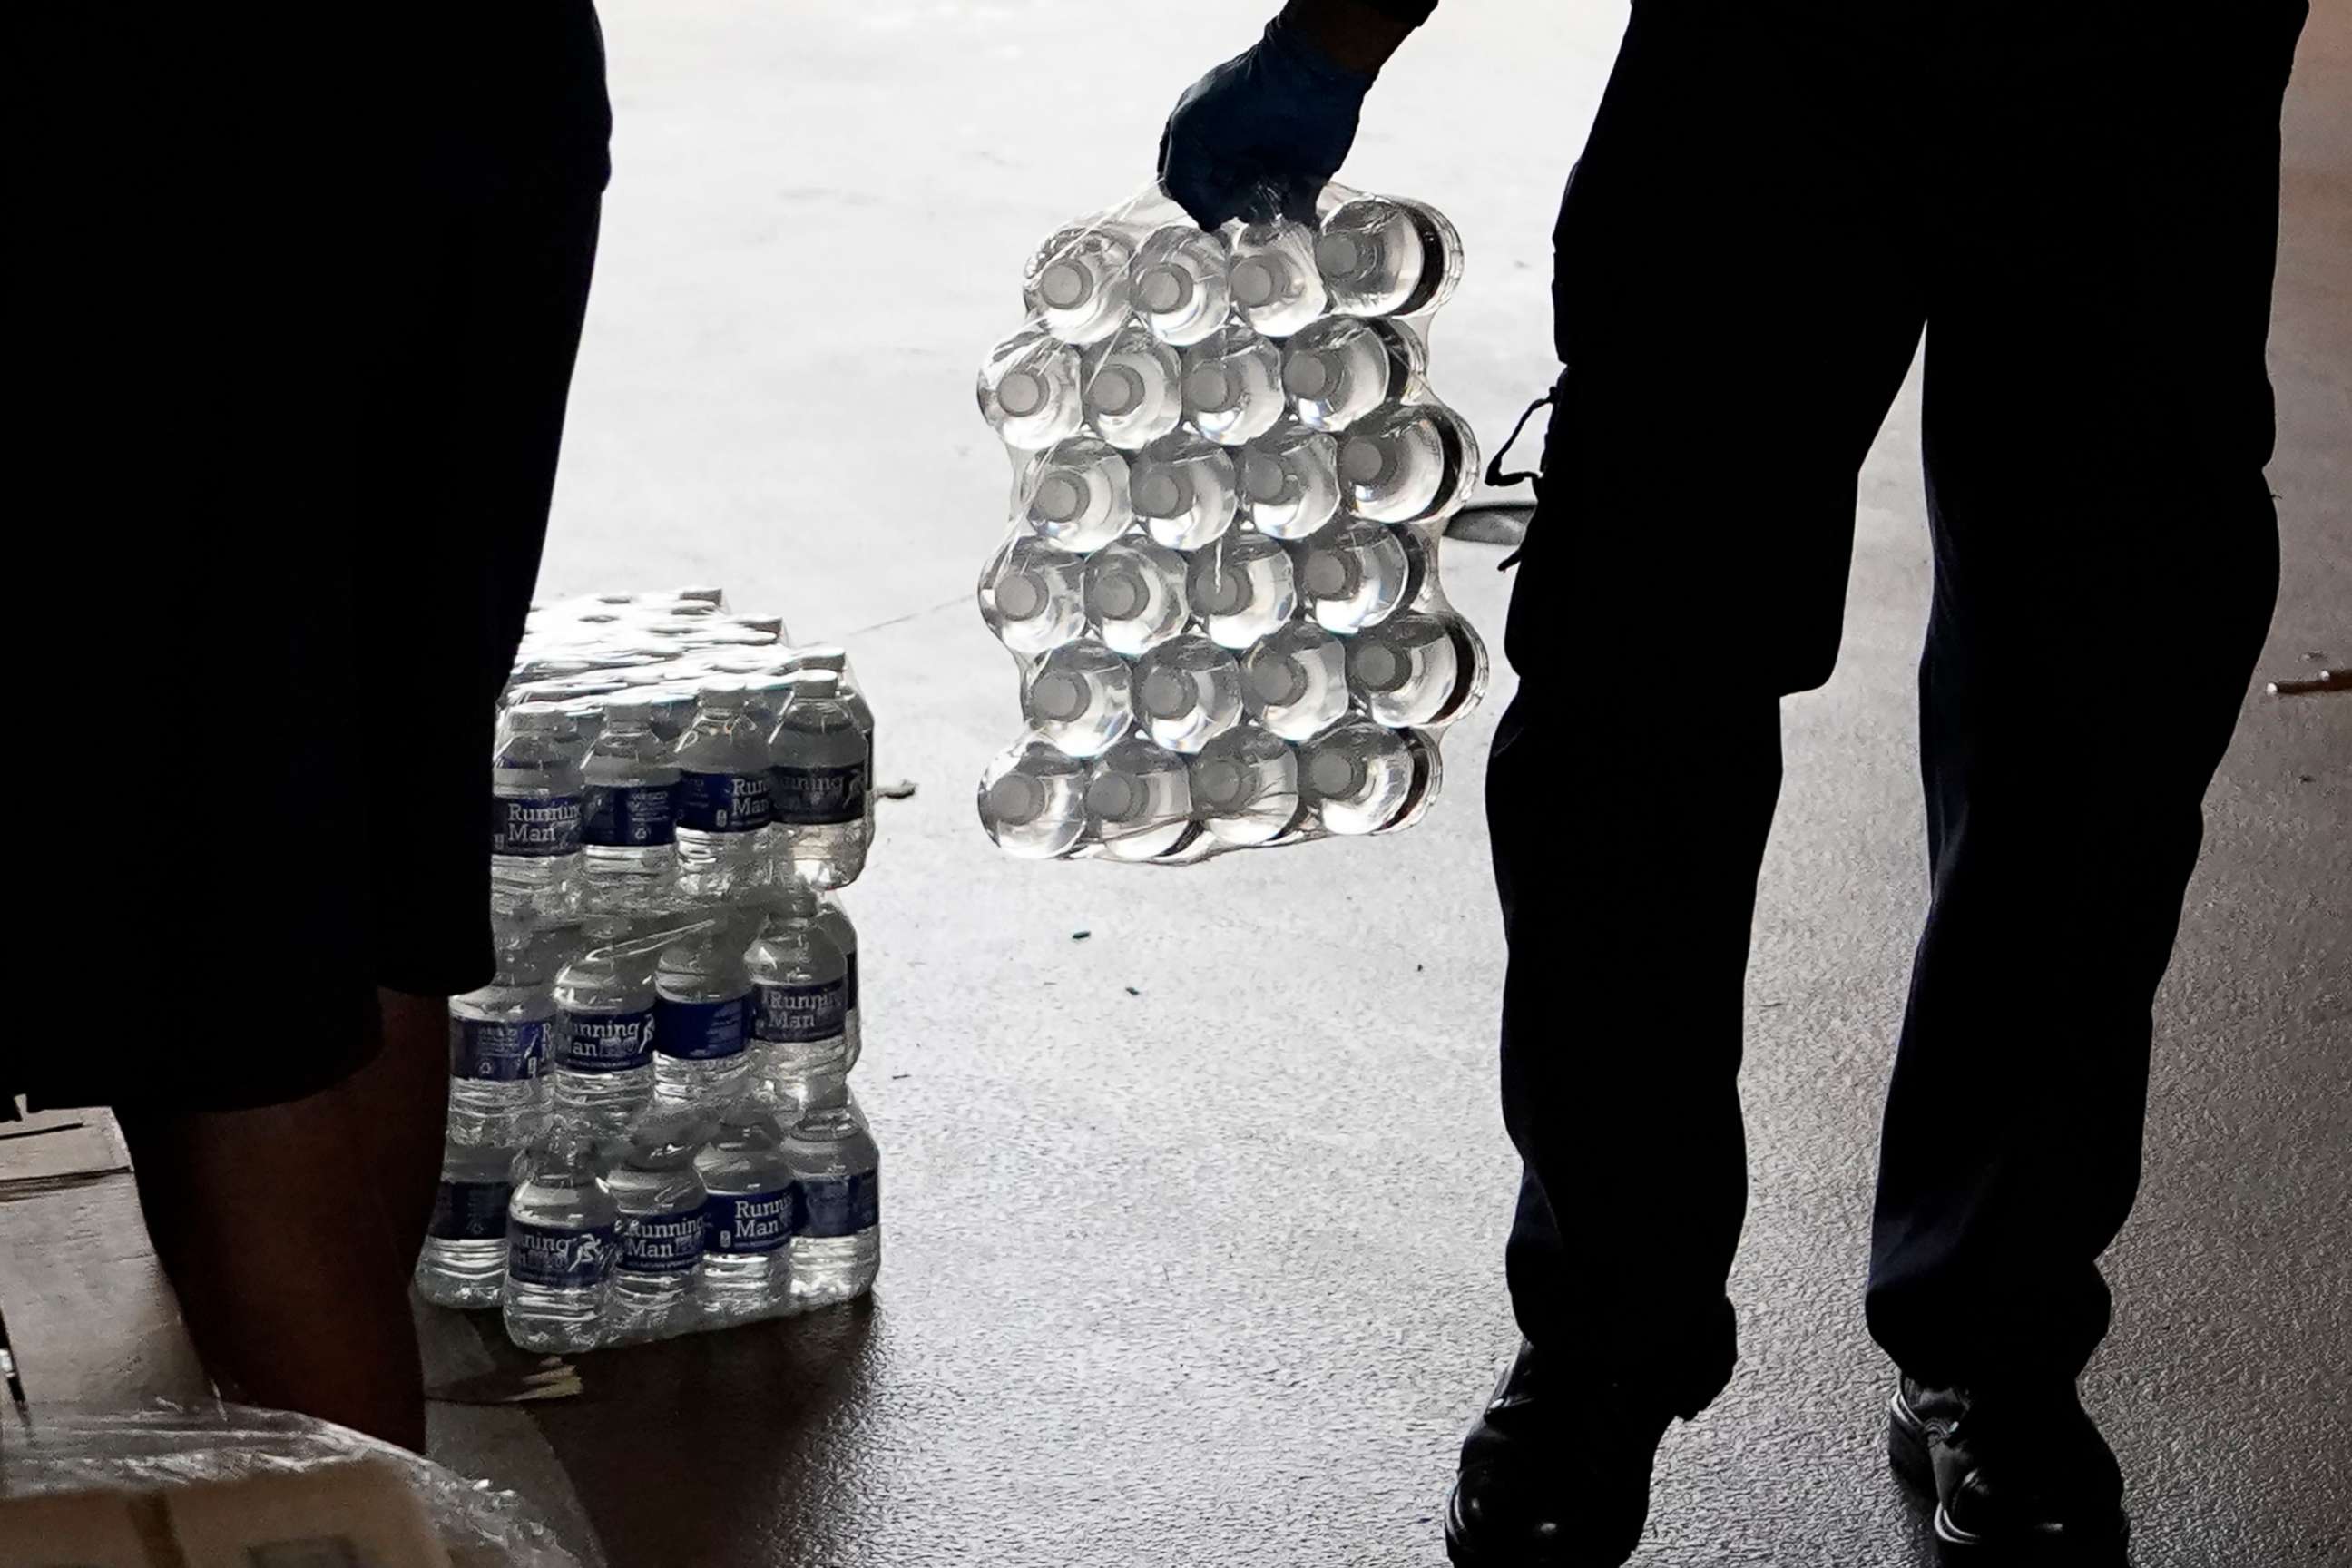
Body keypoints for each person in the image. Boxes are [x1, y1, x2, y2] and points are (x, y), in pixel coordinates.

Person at [1159, 0, 2311, 1562]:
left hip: (2149, 75)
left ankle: (1995, 1337)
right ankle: (1602, 1335)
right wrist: (1343, 30)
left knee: (2093, 730)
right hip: (1775, 55)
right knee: (1635, 699)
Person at [11, 5, 612, 1450]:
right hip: (480, 82)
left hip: (167, 127)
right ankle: (357, 1502)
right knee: (364, 843)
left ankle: (336, 1518)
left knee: (219, 924)